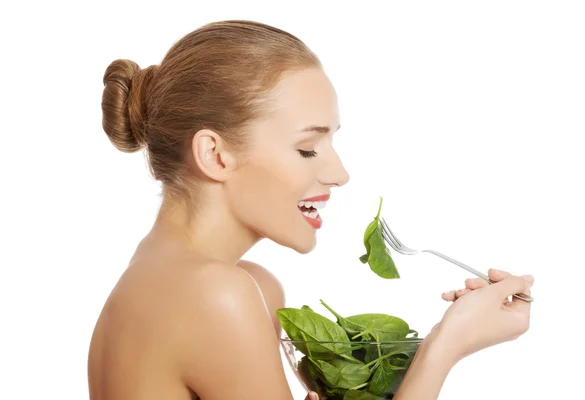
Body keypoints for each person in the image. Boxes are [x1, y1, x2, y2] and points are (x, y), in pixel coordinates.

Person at [88, 20, 534, 400]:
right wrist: (445, 345)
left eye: (331, 142)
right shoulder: (215, 294)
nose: (339, 173)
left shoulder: (206, 280)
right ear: (214, 154)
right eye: (307, 148)